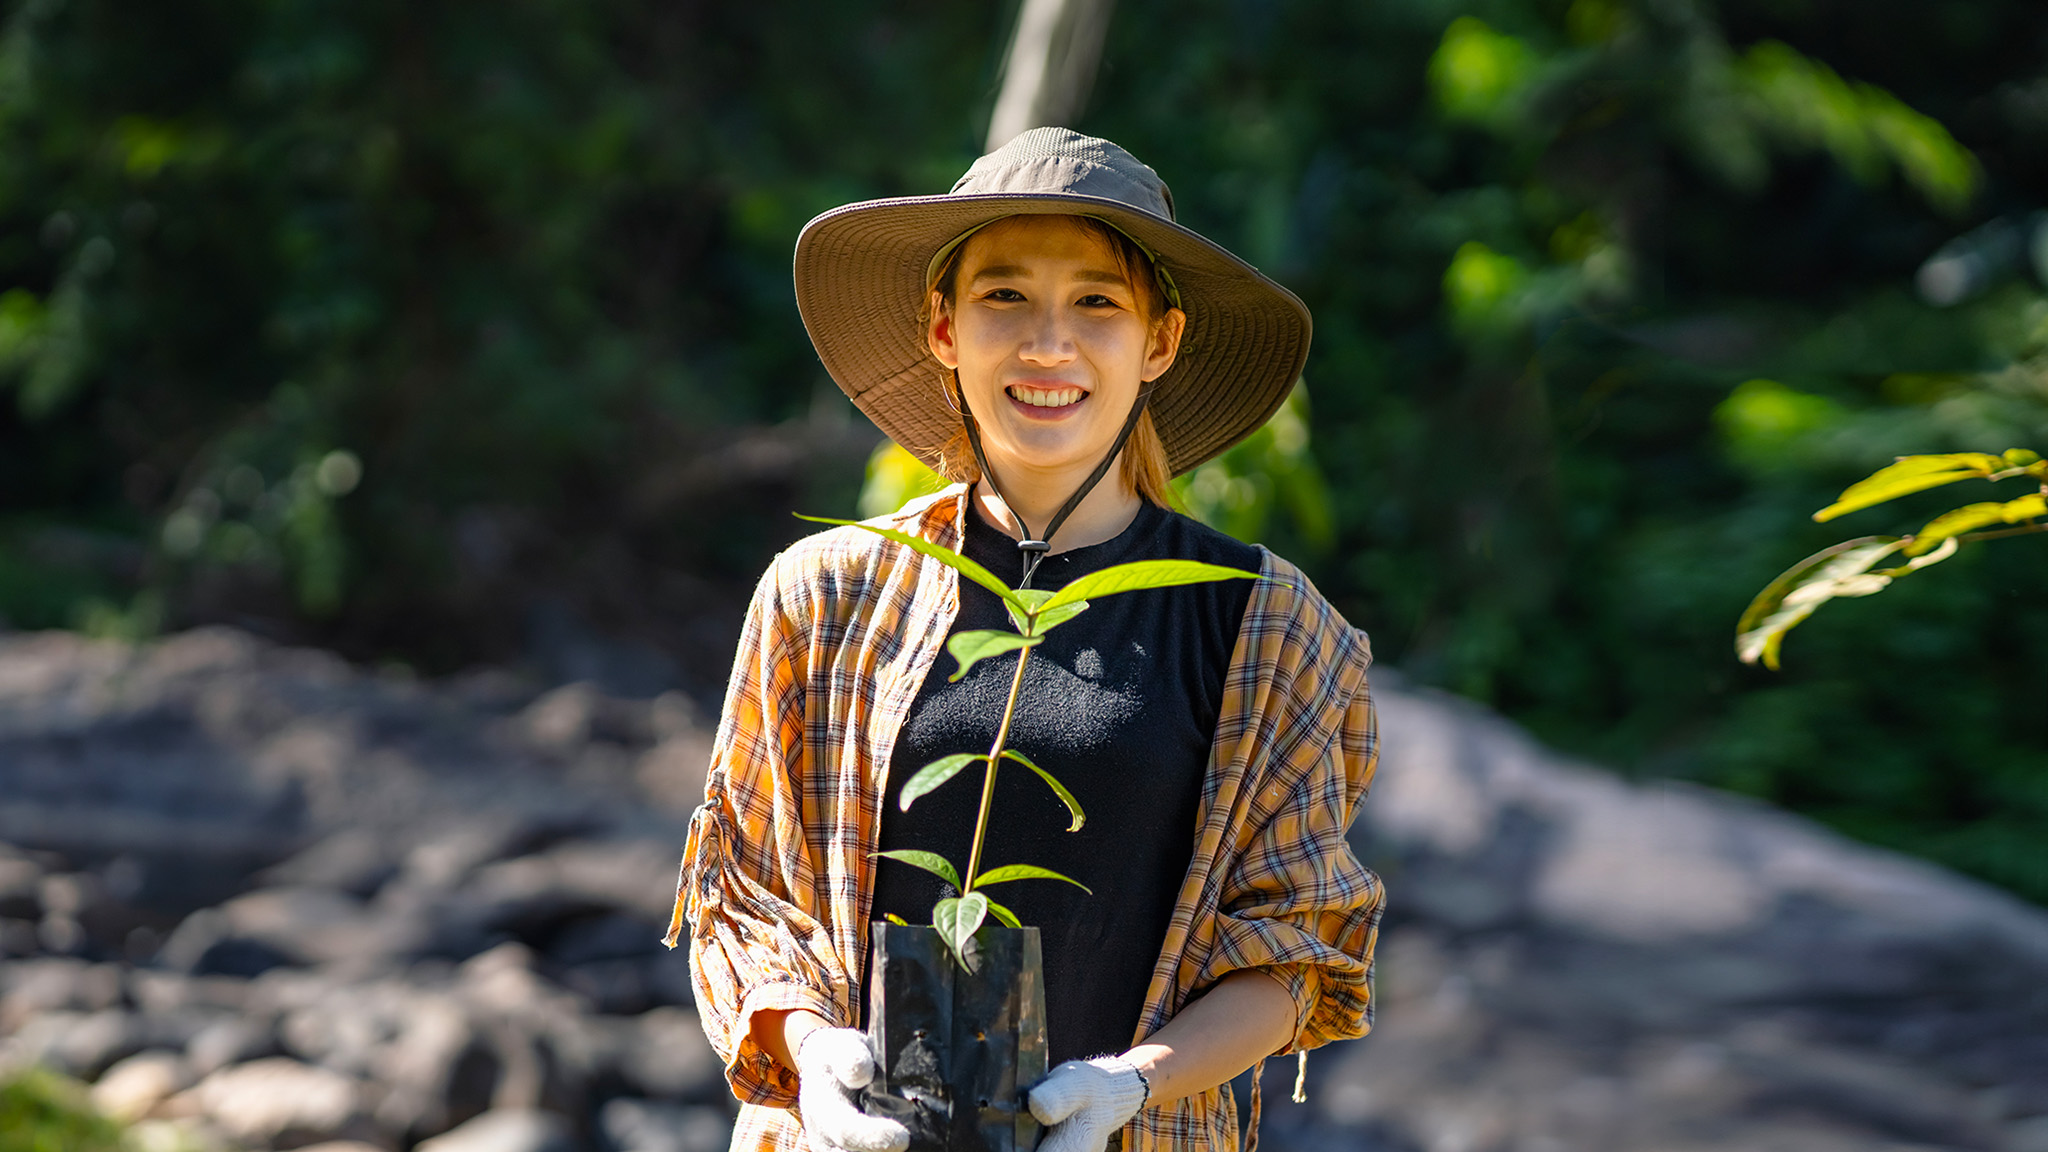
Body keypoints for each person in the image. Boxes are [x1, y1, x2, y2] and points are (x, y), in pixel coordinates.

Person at [667, 128, 1382, 1152]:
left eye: (1097, 303)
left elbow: (1290, 947)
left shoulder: (1263, 626)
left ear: (1160, 342)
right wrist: (815, 1057)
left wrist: (1130, 1087)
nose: (1048, 345)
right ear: (944, 328)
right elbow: (745, 899)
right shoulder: (825, 594)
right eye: (1003, 297)